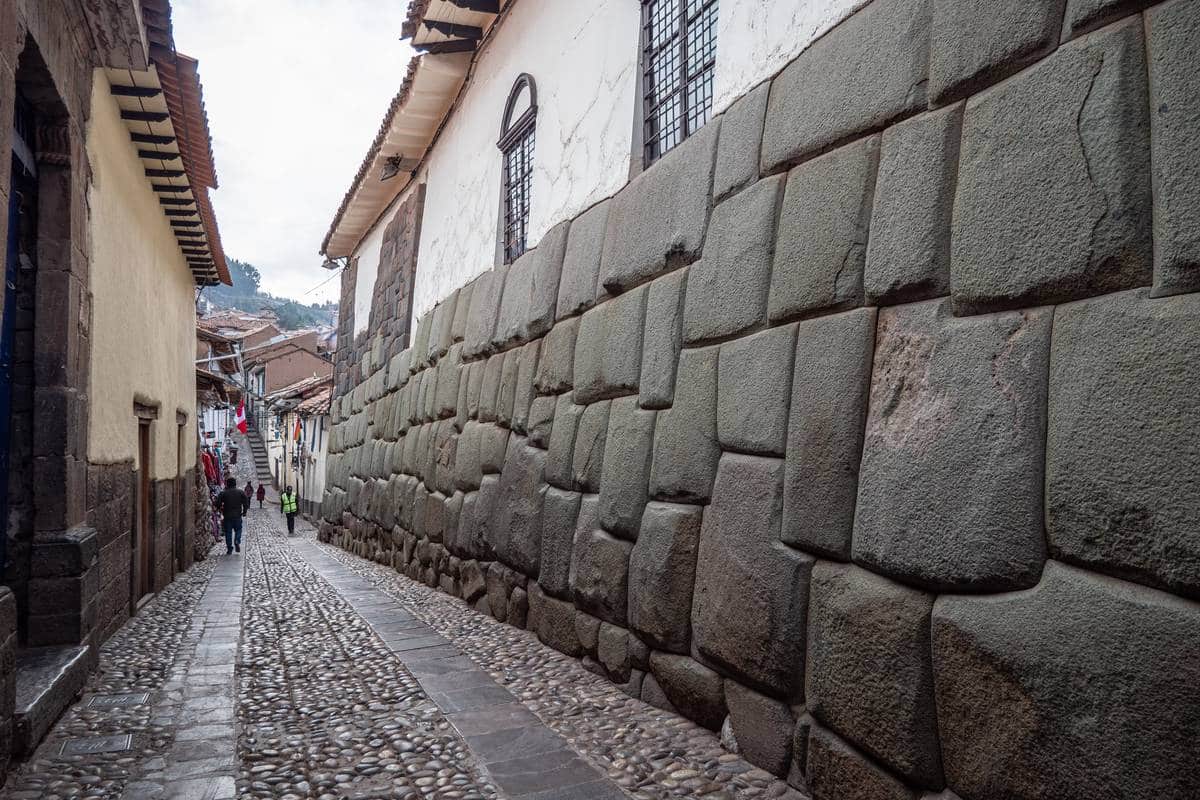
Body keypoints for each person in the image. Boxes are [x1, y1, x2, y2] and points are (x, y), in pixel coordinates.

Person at [213, 477, 250, 554]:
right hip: (237, 516)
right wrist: (244, 512)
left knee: (228, 532)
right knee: (238, 529)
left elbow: (218, 503)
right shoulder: (240, 492)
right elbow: (246, 502)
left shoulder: (223, 493)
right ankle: (237, 540)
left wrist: (219, 508)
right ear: (235, 484)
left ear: (227, 484)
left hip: (227, 516)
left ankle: (229, 548)